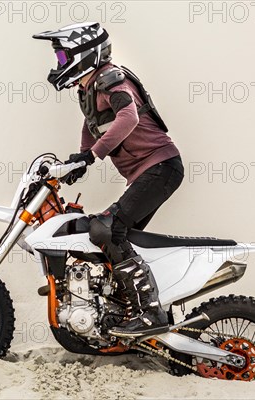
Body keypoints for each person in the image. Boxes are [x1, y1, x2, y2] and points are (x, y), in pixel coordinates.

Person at [33, 22, 184, 337]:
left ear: (84, 53)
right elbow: (92, 125)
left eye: (63, 58)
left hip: (161, 166)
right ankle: (124, 309)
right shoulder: (89, 88)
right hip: (148, 172)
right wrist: (80, 158)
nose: (59, 64)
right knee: (114, 240)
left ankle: (150, 315)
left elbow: (128, 117)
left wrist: (92, 155)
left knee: (107, 228)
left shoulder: (110, 79)